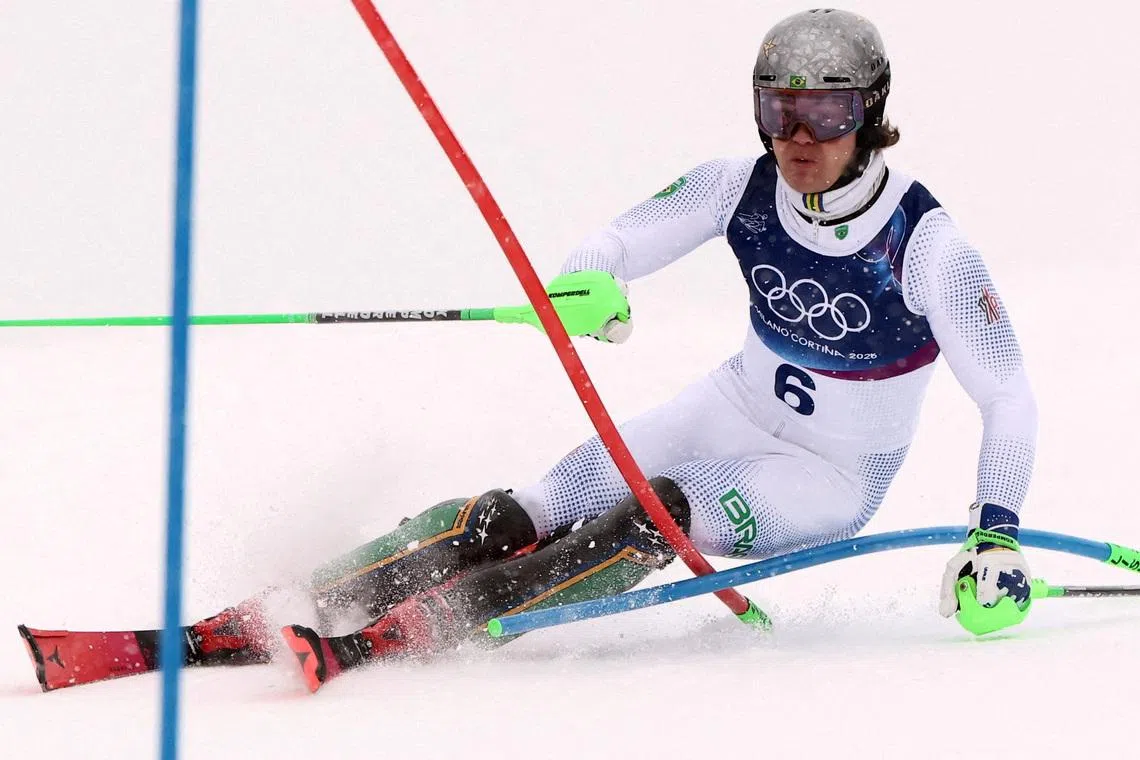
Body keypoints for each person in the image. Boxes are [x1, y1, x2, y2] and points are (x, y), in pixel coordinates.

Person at [18, 8, 1036, 695]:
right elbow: (618, 239)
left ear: (871, 114)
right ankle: (238, 622)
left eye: (824, 111)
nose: (797, 135)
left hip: (828, 474)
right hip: (732, 404)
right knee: (523, 510)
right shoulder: (741, 183)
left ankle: (397, 637)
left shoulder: (928, 244)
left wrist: (996, 533)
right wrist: (588, 284)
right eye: (778, 107)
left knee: (657, 514)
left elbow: (1010, 398)